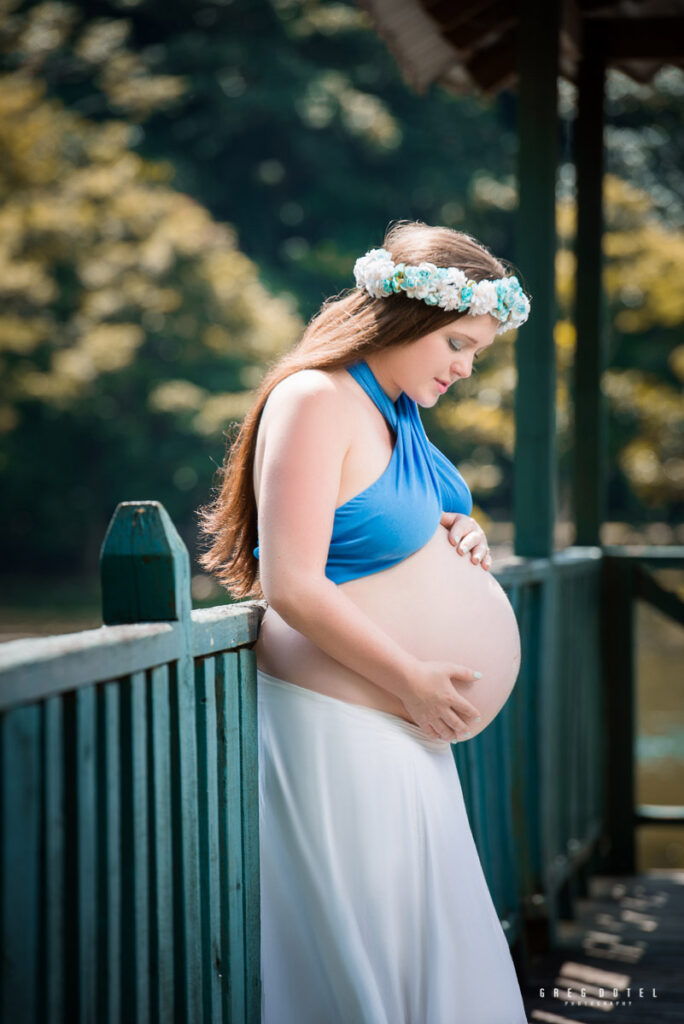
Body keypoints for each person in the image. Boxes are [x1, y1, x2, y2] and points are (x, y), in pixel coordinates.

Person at [199, 219, 531, 1023]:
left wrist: (462, 531)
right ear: (404, 317)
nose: (465, 368)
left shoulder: (398, 412)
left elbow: (402, 520)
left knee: (423, 949)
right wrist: (411, 677)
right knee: (365, 958)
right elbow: (293, 586)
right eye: (457, 343)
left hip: (402, 727)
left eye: (477, 352)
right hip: (341, 722)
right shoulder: (317, 399)